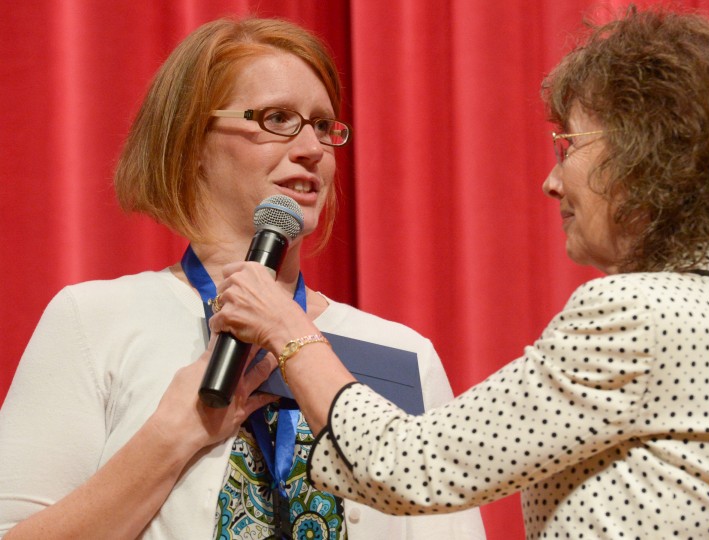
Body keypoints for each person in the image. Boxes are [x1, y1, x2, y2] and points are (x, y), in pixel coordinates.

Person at [205, 6, 709, 539]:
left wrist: (287, 328)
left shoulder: (632, 315)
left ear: (644, 153)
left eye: (567, 146)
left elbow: (406, 466)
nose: (551, 182)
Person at [0, 16, 485, 540]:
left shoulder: (399, 353)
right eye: (278, 118)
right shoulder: (97, 322)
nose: (312, 149)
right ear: (193, 143)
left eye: (323, 126)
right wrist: (170, 438)